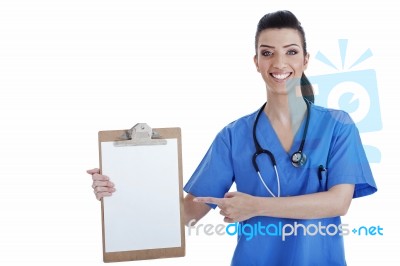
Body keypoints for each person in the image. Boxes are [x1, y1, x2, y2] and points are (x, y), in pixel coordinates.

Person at [88, 10, 377, 265]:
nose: (279, 63)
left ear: (305, 59)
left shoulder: (338, 125)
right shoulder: (233, 136)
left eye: (290, 51)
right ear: (256, 61)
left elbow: (338, 202)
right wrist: (122, 191)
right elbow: (187, 215)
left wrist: (257, 206)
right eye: (267, 53)